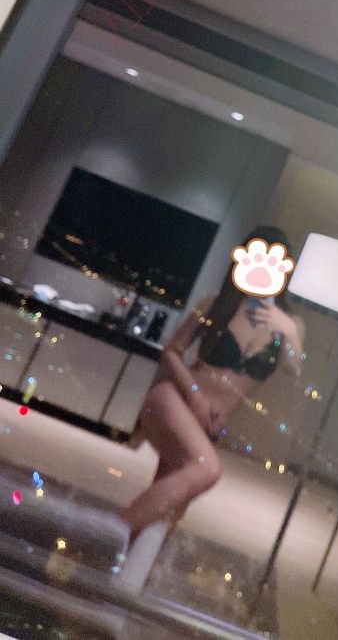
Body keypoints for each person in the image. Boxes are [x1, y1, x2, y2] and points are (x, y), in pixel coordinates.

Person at [121, 225, 305, 540]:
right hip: (176, 401)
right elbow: (172, 351)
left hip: (209, 423)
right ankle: (113, 527)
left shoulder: (290, 324)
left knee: (171, 505)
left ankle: (127, 555)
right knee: (207, 470)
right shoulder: (218, 303)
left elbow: (293, 368)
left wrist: (288, 330)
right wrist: (195, 396)